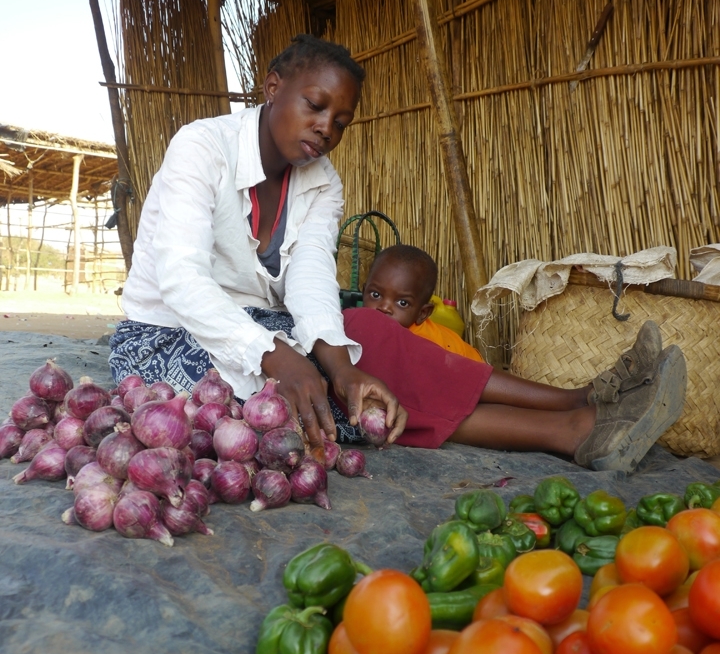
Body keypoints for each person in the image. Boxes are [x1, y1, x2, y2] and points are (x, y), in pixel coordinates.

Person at [109, 34, 406, 451]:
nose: (326, 128)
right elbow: (180, 278)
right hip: (168, 330)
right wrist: (277, 357)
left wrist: (340, 369)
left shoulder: (323, 181)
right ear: (272, 88)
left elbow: (312, 274)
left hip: (262, 325)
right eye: (315, 105)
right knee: (278, 419)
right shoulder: (203, 147)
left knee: (355, 398)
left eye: (340, 122)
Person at [342, 244, 687, 473]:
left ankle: (581, 422)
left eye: (401, 303)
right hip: (329, 392)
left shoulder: (429, 335)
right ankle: (578, 412)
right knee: (367, 331)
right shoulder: (367, 321)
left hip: (337, 374)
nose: (385, 307)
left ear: (423, 311)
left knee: (429, 398)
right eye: (374, 294)